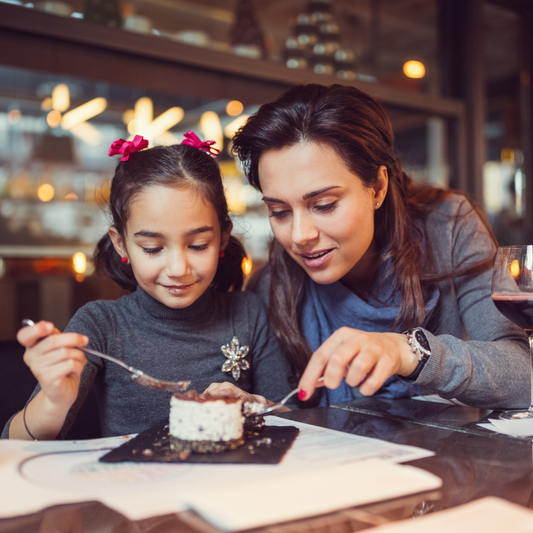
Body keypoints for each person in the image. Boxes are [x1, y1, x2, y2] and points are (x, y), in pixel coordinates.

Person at [227, 83, 529, 409]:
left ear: (378, 187)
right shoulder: (272, 287)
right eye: (279, 212)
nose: (299, 236)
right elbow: (294, 415)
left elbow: (522, 375)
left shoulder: (449, 225)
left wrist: (407, 351)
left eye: (325, 204)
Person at [3, 132, 293, 440]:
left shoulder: (248, 315)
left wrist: (254, 405)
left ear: (222, 237)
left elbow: (294, 421)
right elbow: (14, 443)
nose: (179, 269)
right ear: (121, 244)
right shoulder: (101, 326)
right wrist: (53, 402)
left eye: (197, 245)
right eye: (153, 249)